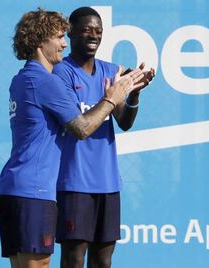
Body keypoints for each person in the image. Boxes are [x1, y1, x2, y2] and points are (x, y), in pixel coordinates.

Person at [0, 8, 144, 268]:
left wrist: (128, 95)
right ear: (40, 41)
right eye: (59, 37)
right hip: (34, 189)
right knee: (39, 264)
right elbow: (83, 128)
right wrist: (113, 96)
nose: (64, 42)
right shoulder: (45, 80)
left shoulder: (21, 78)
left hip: (14, 187)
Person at [52, 7, 155, 268]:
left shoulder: (112, 71)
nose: (94, 35)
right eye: (87, 29)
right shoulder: (61, 73)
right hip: (74, 182)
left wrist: (133, 93)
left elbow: (125, 122)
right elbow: (81, 125)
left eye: (98, 31)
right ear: (70, 32)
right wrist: (112, 96)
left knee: (103, 260)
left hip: (107, 182)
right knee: (74, 258)